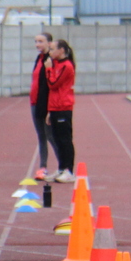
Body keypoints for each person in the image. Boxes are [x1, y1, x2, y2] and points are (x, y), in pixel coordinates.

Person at [45, 38, 77, 182]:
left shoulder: (66, 66)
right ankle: (61, 168)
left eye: (52, 49)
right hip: (55, 106)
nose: (50, 52)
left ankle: (69, 171)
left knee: (65, 139)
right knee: (57, 139)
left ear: (61, 50)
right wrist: (50, 110)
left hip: (63, 106)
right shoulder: (56, 64)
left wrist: (48, 69)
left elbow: (53, 84)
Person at [28, 31, 54, 182]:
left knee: (50, 135)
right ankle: (43, 167)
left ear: (49, 43)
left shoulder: (50, 60)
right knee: (41, 136)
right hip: (35, 102)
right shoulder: (39, 58)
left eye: (40, 41)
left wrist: (50, 107)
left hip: (45, 103)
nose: (37, 44)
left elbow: (51, 83)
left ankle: (64, 166)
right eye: (36, 41)